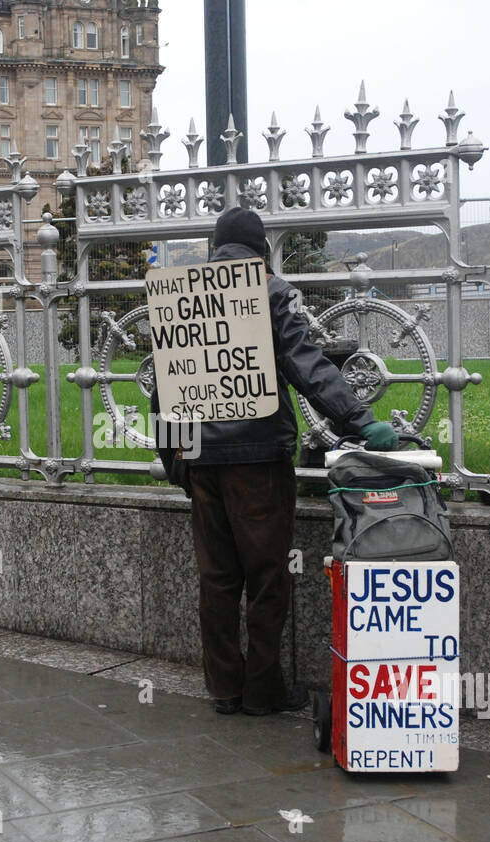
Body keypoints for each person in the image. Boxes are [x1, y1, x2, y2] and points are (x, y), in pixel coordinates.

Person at [153, 207, 397, 716]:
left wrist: (175, 459)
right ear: (262, 250)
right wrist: (359, 420)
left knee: (216, 579)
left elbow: (164, 381)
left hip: (198, 457)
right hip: (258, 457)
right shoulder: (269, 291)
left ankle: (225, 688)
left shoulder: (183, 294)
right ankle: (263, 692)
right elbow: (305, 364)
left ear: (215, 249)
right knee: (267, 578)